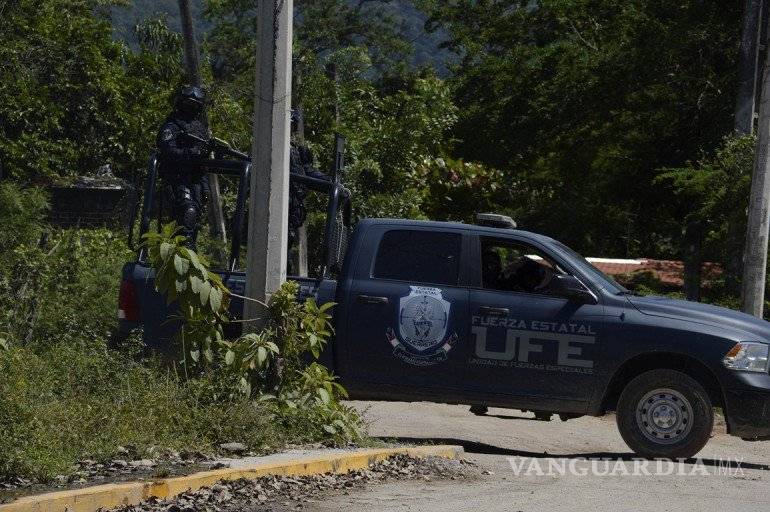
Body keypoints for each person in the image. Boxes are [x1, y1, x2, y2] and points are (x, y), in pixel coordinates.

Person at [156, 85, 210, 248]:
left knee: (193, 223)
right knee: (188, 212)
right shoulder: (172, 125)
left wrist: (206, 186)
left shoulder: (200, 128)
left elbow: (203, 162)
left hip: (196, 181)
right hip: (177, 179)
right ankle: (182, 255)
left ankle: (189, 256)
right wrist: (189, 153)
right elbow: (167, 150)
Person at [288, 108, 330, 250]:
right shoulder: (269, 148)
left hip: (292, 209)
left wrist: (330, 183)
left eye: (292, 126)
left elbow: (307, 173)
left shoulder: (295, 151)